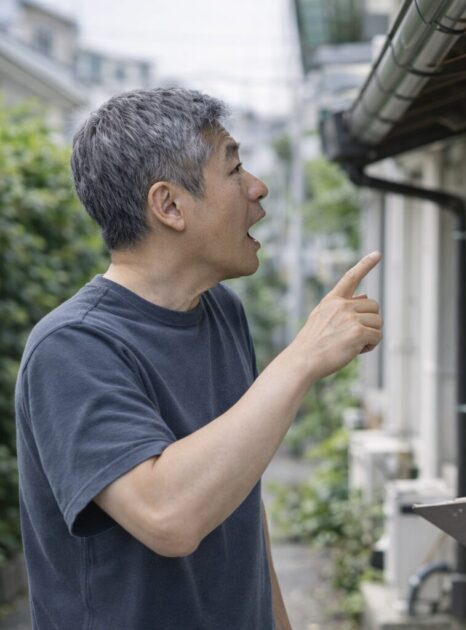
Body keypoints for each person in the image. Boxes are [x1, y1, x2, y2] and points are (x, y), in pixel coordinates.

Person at [14, 87, 383, 629]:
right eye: (233, 169)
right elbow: (168, 517)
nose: (258, 187)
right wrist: (302, 357)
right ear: (168, 206)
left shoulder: (221, 311)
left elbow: (237, 497)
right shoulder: (73, 347)